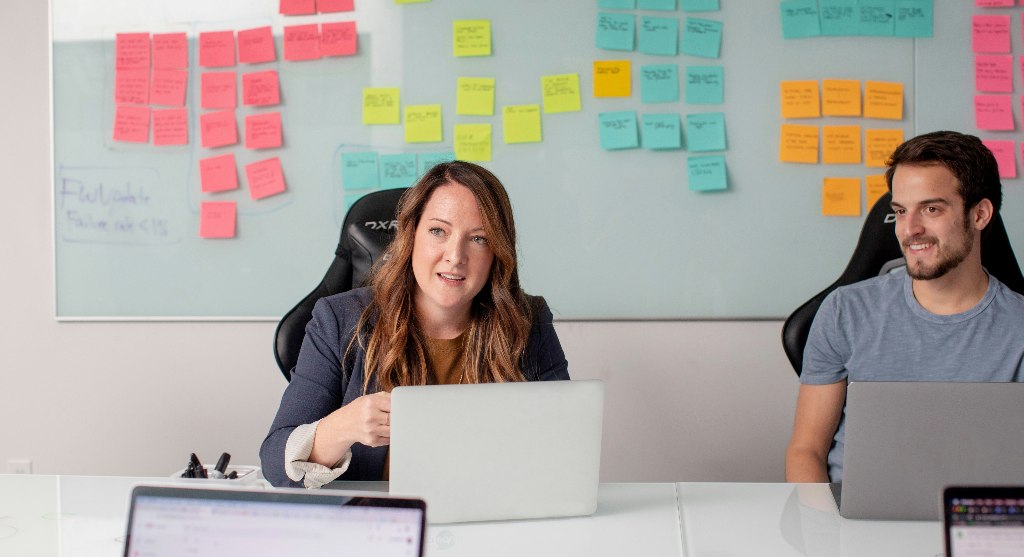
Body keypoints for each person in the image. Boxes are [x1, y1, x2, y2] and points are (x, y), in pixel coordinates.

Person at [260, 161, 570, 488]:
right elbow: (275, 465)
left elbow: (567, 444)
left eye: (478, 238)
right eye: (438, 231)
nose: (455, 255)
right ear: (411, 235)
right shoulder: (339, 319)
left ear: (497, 251)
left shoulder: (528, 320)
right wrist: (343, 427)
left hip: (488, 514)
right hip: (380, 520)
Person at [785, 131, 1024, 483]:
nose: (909, 229)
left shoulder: (1018, 327)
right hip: (853, 523)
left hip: (977, 523)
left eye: (931, 208)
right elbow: (807, 451)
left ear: (980, 215)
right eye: (900, 211)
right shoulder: (844, 312)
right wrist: (824, 530)